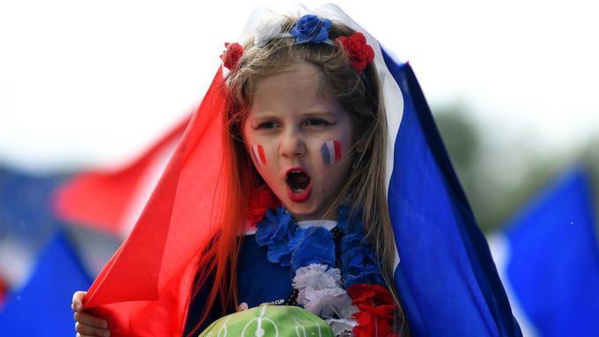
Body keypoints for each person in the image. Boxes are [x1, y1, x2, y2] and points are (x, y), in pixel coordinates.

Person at [73, 4, 522, 337]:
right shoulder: (224, 258)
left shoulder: (401, 252)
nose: (290, 146)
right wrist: (108, 329)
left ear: (362, 133)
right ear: (242, 138)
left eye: (315, 123)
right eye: (268, 126)